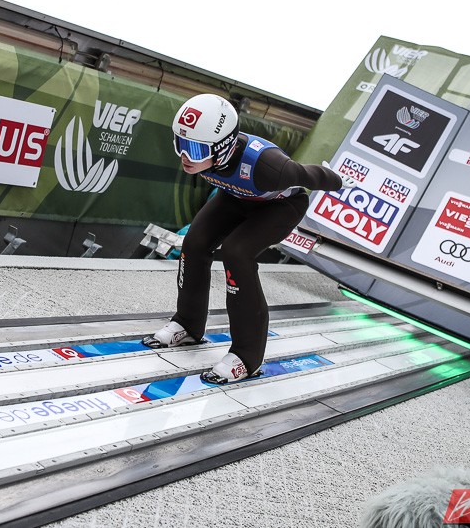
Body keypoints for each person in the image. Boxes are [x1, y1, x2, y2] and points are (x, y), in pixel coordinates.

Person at [142, 93, 356, 384]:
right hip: (236, 196)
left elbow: (307, 175)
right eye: (180, 144)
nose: (186, 157)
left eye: (195, 149)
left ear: (223, 147)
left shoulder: (268, 167)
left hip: (280, 207)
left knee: (237, 253)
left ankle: (247, 357)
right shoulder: (207, 155)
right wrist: (197, 150)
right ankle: (188, 325)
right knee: (193, 244)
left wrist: (338, 179)